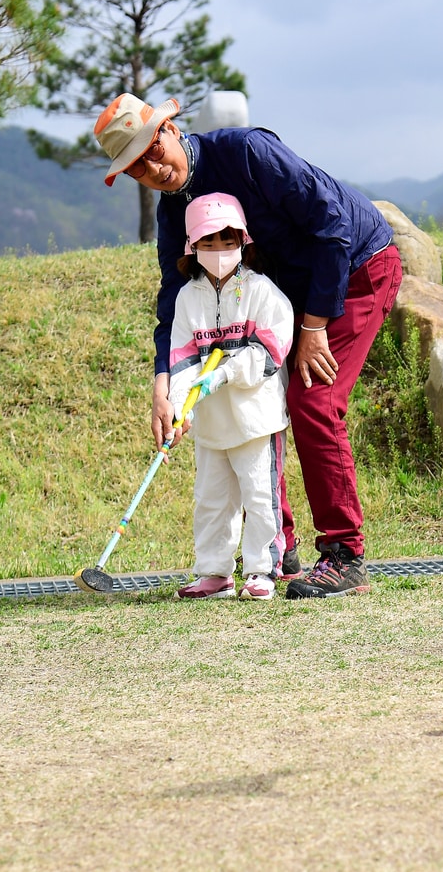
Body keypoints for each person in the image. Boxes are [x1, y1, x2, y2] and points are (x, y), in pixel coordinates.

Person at [93, 93, 402, 600]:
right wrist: (163, 385)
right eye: (136, 170)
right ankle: (278, 549)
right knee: (256, 401)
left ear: (170, 130)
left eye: (153, 150)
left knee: (312, 400)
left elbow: (333, 227)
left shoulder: (247, 152)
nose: (153, 169)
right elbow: (174, 299)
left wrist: (314, 327)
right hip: (284, 296)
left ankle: (345, 557)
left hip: (358, 268)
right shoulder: (175, 212)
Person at [166, 193, 293, 601]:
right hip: (210, 424)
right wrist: (177, 410)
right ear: (192, 247)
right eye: (209, 242)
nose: (219, 251)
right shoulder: (187, 299)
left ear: (243, 242)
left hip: (257, 418)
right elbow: (182, 361)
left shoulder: (261, 291)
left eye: (227, 241)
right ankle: (214, 573)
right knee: (211, 500)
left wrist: (223, 374)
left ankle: (262, 571)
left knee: (260, 495)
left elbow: (271, 351)